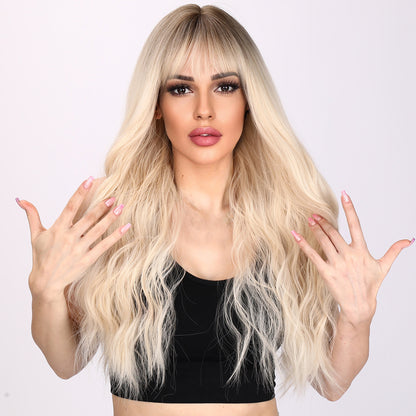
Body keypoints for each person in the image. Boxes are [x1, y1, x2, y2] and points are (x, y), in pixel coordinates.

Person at [17, 4, 414, 416]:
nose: (204, 109)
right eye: (181, 89)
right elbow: (65, 362)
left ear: (249, 100)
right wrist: (45, 291)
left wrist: (357, 317)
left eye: (225, 87)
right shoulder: (113, 213)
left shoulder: (291, 222)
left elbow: (331, 384)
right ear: (156, 103)